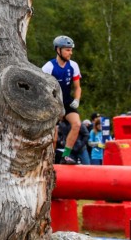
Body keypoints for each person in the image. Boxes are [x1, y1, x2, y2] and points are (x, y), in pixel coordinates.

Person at [42, 35, 83, 165]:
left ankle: (65, 156)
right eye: (67, 50)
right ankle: (50, 162)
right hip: (52, 103)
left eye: (71, 50)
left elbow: (77, 87)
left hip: (66, 101)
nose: (70, 53)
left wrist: (77, 99)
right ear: (58, 50)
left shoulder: (73, 66)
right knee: (53, 137)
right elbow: (41, 89)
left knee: (77, 124)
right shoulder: (48, 67)